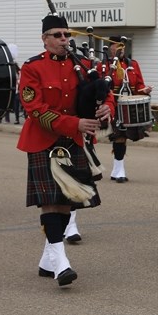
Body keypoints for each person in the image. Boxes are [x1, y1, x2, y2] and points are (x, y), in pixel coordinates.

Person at [18, 14, 114, 287]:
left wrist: (108, 108)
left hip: (74, 141)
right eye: (57, 35)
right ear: (44, 39)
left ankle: (48, 258)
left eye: (66, 34)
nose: (64, 39)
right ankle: (61, 263)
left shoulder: (82, 65)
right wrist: (74, 123)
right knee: (51, 201)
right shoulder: (32, 67)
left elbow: (104, 93)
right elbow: (34, 108)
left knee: (65, 203)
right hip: (44, 140)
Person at [105, 35, 153, 184]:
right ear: (110, 48)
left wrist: (144, 90)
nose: (120, 49)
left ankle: (116, 169)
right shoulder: (105, 65)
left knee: (124, 136)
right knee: (119, 136)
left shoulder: (133, 64)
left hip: (129, 106)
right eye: (117, 46)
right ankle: (119, 170)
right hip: (113, 104)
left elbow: (138, 85)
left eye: (123, 46)